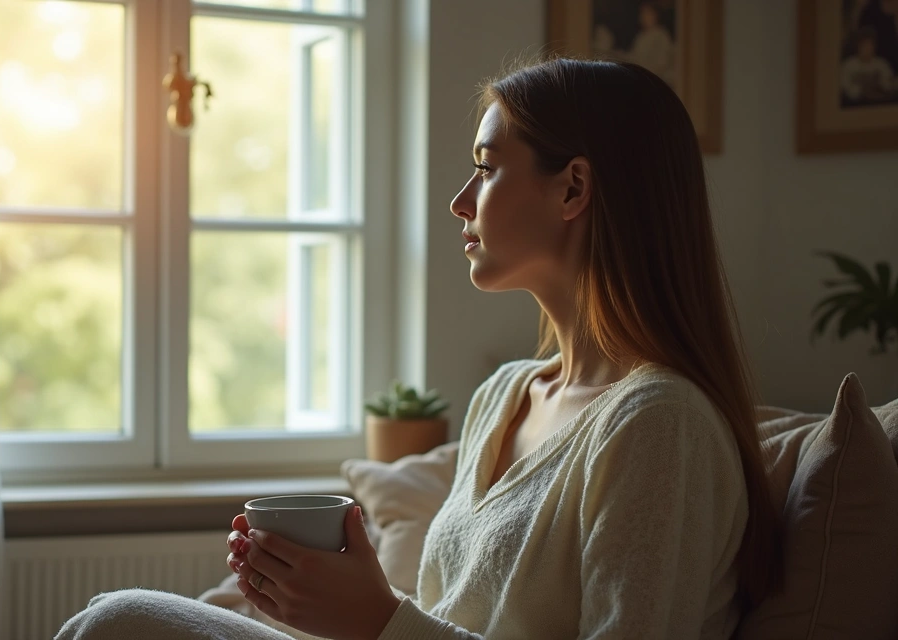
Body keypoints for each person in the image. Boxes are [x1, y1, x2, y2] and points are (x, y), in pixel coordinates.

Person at [54, 57, 781, 640]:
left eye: (489, 167)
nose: (462, 200)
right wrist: (328, 600)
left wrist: (377, 619)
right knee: (115, 621)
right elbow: (448, 619)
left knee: (121, 624)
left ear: (573, 190)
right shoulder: (507, 395)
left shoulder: (659, 423)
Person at [841, 28, 897, 105]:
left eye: (870, 45)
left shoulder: (881, 64)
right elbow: (846, 88)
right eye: (864, 45)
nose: (867, 48)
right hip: (857, 106)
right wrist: (864, 92)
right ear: (858, 46)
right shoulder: (848, 65)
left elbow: (889, 85)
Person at [628, 2, 675, 87]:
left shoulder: (662, 35)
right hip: (640, 77)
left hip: (655, 80)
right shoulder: (641, 37)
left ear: (655, 15)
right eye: (642, 13)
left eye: (647, 13)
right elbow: (634, 57)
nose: (643, 17)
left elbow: (662, 63)